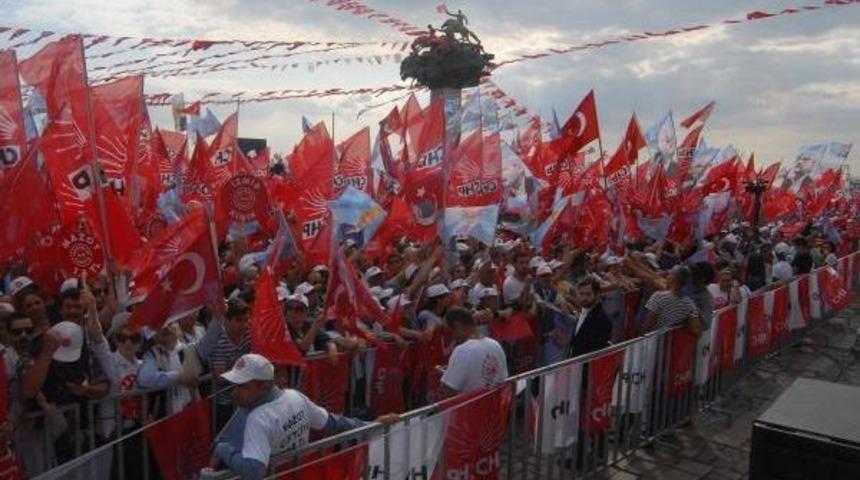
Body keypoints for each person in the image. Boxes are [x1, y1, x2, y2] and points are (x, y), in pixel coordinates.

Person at [210, 354, 400, 479]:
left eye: (243, 386)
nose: (234, 393)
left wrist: (223, 449)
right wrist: (371, 424)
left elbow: (254, 471)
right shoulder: (294, 396)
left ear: (265, 386)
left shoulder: (258, 419)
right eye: (235, 385)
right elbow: (334, 423)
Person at [439, 307, 508, 396]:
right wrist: (449, 372)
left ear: (457, 326)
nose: (452, 337)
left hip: (471, 407)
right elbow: (502, 379)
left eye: (450, 331)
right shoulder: (495, 344)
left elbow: (447, 390)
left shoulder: (462, 350)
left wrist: (445, 377)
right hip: (495, 405)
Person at [640, 266, 703, 336]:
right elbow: (697, 330)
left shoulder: (658, 297)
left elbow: (649, 323)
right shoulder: (689, 304)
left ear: (672, 279)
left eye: (669, 275)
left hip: (656, 340)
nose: (667, 277)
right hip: (671, 342)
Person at [568, 278, 613, 357]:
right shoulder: (580, 312)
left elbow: (597, 351)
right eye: (581, 294)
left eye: (588, 294)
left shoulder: (603, 320)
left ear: (597, 294)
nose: (584, 298)